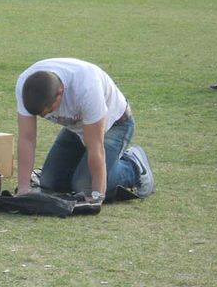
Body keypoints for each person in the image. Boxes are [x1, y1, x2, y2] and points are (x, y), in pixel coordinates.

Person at [15, 58, 155, 205]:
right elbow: (27, 138)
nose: (44, 116)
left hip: (114, 124)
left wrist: (97, 195)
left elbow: (96, 147)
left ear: (60, 93)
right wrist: (24, 188)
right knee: (50, 182)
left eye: (48, 111)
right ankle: (80, 169)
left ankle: (133, 166)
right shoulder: (26, 86)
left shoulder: (86, 87)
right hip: (76, 127)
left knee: (84, 186)